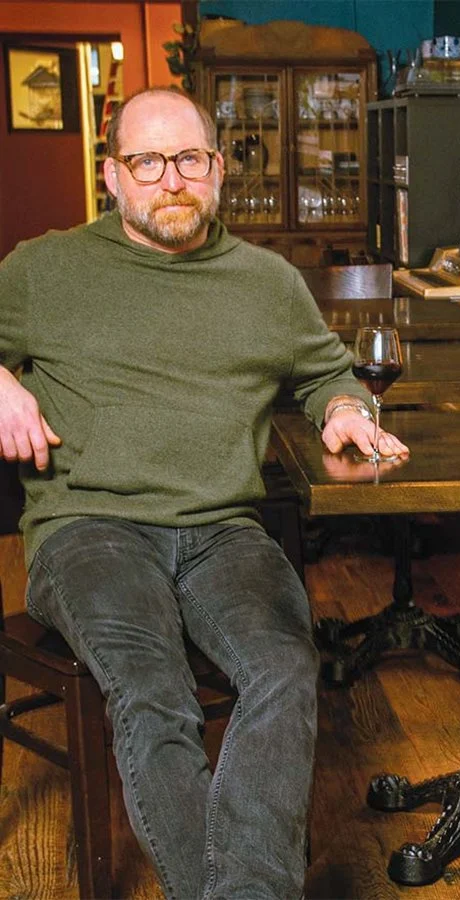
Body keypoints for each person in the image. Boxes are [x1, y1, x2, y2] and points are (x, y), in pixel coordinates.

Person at [0, 86, 408, 899]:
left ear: (218, 170)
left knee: (286, 666)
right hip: (91, 526)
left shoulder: (267, 283)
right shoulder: (42, 269)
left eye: (188, 159)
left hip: (224, 530)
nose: (171, 180)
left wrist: (340, 406)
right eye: (146, 162)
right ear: (112, 175)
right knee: (152, 691)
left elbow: (329, 369)